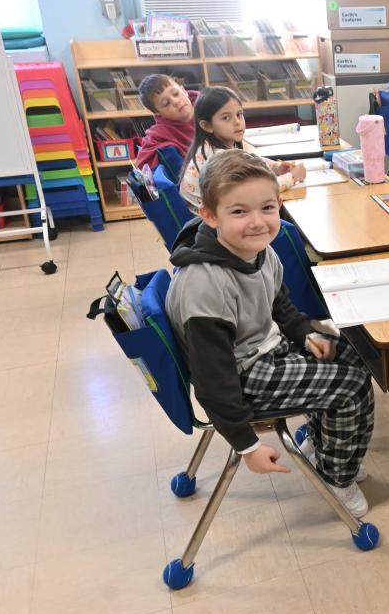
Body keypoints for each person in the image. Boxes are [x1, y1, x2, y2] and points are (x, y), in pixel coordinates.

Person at [165, 149, 375, 516]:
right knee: (351, 387)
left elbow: (279, 304)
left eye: (267, 208)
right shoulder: (206, 287)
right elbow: (213, 381)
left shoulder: (257, 250)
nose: (258, 222)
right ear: (210, 216)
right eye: (239, 211)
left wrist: (304, 333)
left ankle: (326, 447)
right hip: (241, 377)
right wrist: (246, 446)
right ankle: (336, 476)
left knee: (357, 353)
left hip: (264, 351)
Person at [178, 86, 305, 210]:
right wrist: (293, 177)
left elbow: (250, 159)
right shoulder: (219, 158)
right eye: (226, 118)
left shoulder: (217, 143)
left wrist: (275, 167)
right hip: (212, 226)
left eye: (239, 114)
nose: (237, 122)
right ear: (207, 126)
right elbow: (259, 191)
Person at [134, 74, 197, 173]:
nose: (176, 102)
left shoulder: (210, 104)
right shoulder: (159, 134)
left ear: (184, 90)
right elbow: (143, 167)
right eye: (166, 103)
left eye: (176, 94)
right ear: (158, 113)